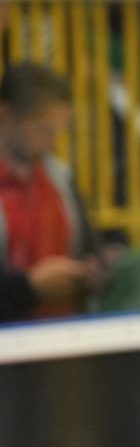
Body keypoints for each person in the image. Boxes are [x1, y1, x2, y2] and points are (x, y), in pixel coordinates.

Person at [0, 64, 103, 319]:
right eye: (44, 130)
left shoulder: (59, 178)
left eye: (58, 132)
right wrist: (28, 288)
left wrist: (95, 271)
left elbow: (89, 248)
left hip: (62, 338)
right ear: (5, 116)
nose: (53, 142)